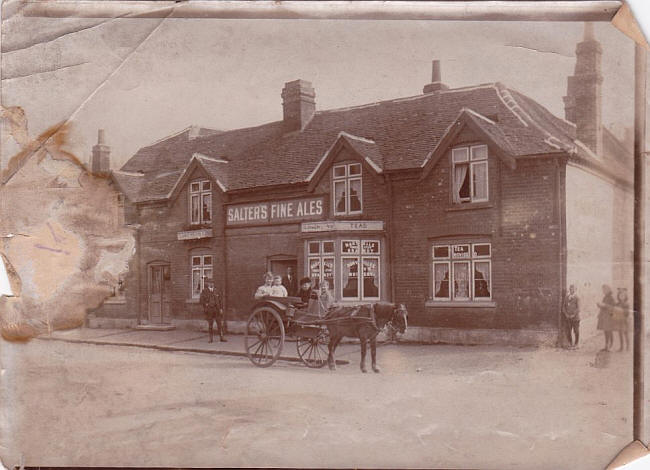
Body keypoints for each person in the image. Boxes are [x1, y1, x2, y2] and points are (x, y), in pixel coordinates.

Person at [199, 278, 227, 343]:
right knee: (210, 325)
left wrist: (221, 309)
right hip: (210, 310)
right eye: (210, 283)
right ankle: (210, 338)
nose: (211, 284)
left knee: (219, 324)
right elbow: (201, 300)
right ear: (208, 284)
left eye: (212, 283)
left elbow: (220, 301)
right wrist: (206, 305)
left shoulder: (216, 291)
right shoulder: (204, 291)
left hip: (216, 310)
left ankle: (221, 337)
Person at [597, 284, 616, 351]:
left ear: (608, 290)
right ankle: (606, 345)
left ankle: (611, 346)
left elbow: (613, 308)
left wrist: (604, 305)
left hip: (609, 317)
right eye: (603, 290)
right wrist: (600, 306)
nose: (603, 291)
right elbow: (603, 307)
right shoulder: (605, 297)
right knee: (605, 331)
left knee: (609, 331)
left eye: (604, 290)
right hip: (605, 317)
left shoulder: (611, 298)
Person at [562, 284, 580, 349]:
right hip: (568, 317)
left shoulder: (577, 297)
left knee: (576, 331)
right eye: (570, 288)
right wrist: (566, 314)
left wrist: (573, 315)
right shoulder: (567, 297)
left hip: (575, 318)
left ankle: (576, 343)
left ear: (575, 289)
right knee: (568, 331)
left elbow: (578, 308)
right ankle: (570, 343)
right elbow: (563, 307)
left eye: (572, 288)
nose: (571, 289)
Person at [615, 288, 630, 352]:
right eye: (620, 295)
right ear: (618, 296)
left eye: (623, 296)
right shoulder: (617, 304)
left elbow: (627, 313)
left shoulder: (626, 304)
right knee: (620, 333)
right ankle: (621, 347)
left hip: (624, 320)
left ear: (625, 296)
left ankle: (628, 347)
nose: (621, 297)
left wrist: (621, 311)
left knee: (626, 334)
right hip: (619, 320)